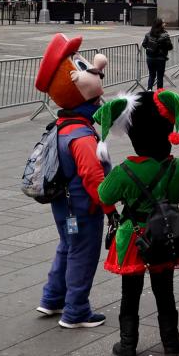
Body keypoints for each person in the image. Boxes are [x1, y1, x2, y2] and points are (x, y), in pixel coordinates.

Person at [95, 90, 179, 356]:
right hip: (164, 235)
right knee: (165, 291)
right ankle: (171, 342)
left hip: (133, 237)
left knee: (130, 293)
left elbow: (104, 195)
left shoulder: (124, 172)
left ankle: (127, 345)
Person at [33, 35, 113, 329]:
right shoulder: (81, 136)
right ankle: (76, 310)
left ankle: (53, 298)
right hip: (83, 208)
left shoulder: (63, 126)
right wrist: (108, 206)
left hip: (64, 208)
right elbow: (93, 176)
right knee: (83, 252)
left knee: (67, 246)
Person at [142, 18, 173, 90]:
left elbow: (144, 44)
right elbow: (170, 47)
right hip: (160, 58)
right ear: (160, 25)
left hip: (150, 58)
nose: (165, 24)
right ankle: (159, 93)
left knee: (151, 75)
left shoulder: (148, 34)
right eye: (163, 23)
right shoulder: (165, 35)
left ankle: (149, 90)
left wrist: (151, 48)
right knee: (160, 76)